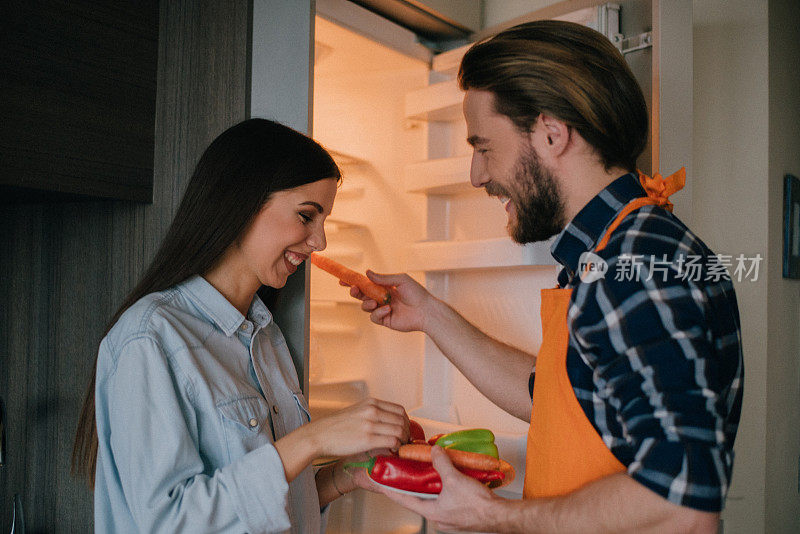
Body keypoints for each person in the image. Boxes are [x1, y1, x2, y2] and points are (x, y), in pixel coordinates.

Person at [349, 20, 743, 533]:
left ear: (552, 134)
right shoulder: (609, 253)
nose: (476, 175)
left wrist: (492, 515)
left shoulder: (635, 263)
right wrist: (430, 315)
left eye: (485, 147)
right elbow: (561, 401)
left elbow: (682, 502)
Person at [72, 118, 410, 533]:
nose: (320, 241)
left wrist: (340, 478)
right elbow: (167, 523)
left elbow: (253, 512)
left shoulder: (266, 336)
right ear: (243, 202)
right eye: (307, 216)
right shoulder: (151, 338)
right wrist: (312, 440)